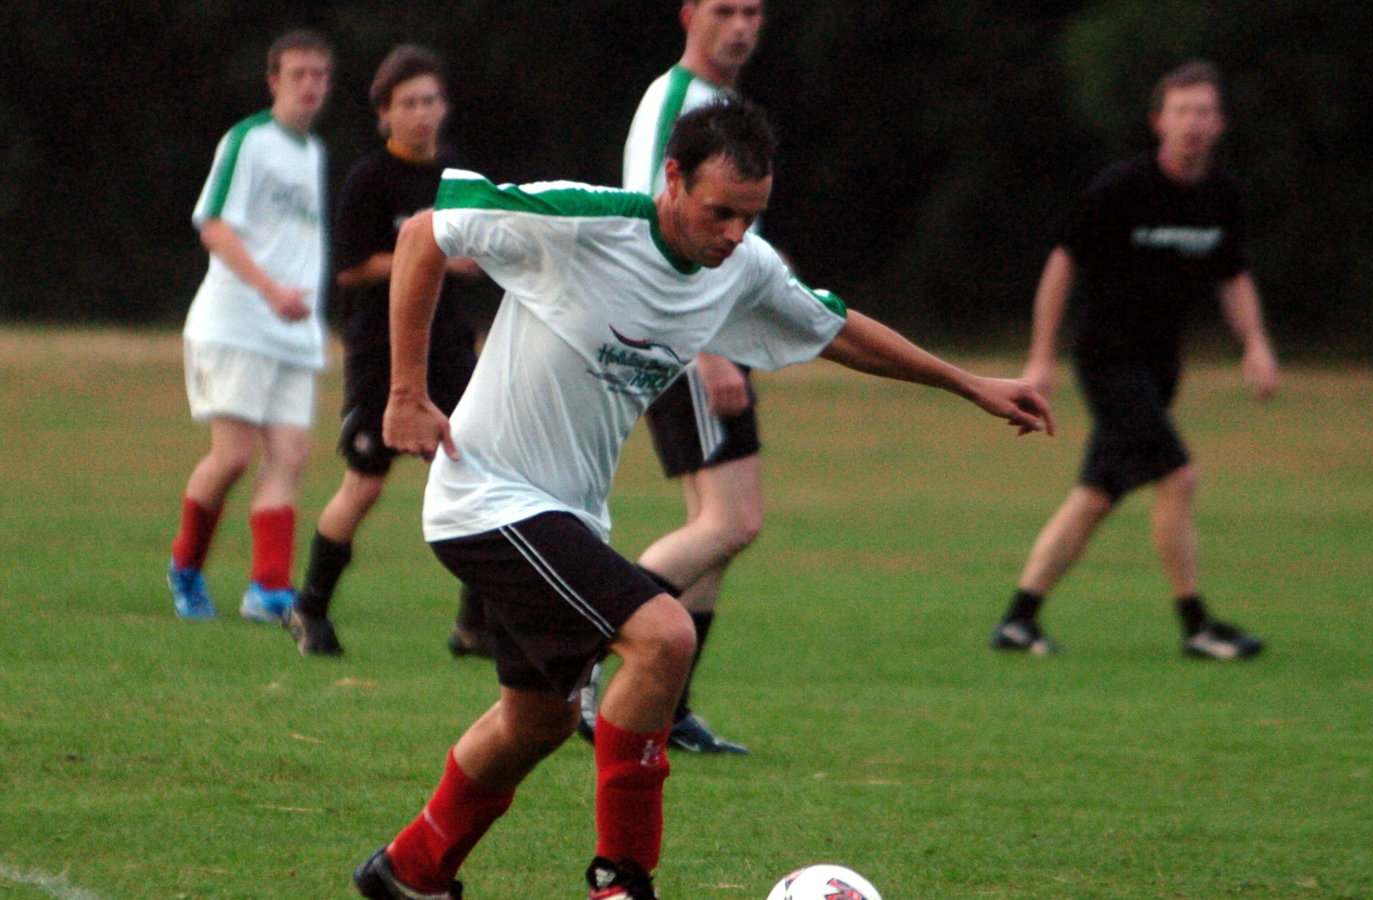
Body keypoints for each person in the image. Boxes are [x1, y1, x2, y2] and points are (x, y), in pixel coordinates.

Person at [352, 96, 1052, 900]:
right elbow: (423, 234)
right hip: (487, 497)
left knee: (536, 720)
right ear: (673, 178)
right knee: (664, 637)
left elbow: (836, 328)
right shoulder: (586, 223)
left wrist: (967, 384)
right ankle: (623, 882)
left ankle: (410, 872)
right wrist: (406, 390)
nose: (732, 235)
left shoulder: (741, 267)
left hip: (564, 512)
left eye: (749, 218)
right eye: (719, 212)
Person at [989, 60, 1279, 660]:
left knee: (1095, 496)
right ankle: (1197, 626)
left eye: (1203, 112)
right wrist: (1041, 356)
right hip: (1107, 360)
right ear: (1159, 122)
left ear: (1220, 123)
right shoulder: (1123, 187)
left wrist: (1255, 343)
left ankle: (1018, 621)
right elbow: (1063, 260)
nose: (1193, 124)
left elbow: (1234, 276)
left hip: (1160, 369)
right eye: (1181, 112)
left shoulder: (1221, 197)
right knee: (1178, 476)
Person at [582, 0, 768, 754]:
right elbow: (655, 231)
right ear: (688, 13)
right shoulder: (675, 103)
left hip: (714, 332)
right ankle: (590, 659)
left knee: (716, 531)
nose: (742, 26)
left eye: (753, 10)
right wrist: (710, 350)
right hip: (688, 339)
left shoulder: (725, 106)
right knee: (732, 521)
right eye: (725, 9)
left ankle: (666, 708)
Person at [286, 45, 492, 658]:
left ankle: (473, 625)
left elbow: (482, 246)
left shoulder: (457, 173)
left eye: (430, 101)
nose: (422, 114)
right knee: (366, 483)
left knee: (478, 476)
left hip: (451, 349)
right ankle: (309, 607)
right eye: (408, 104)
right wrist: (424, 254)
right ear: (385, 114)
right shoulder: (371, 178)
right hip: (383, 353)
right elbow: (349, 268)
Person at [166, 30, 333, 624]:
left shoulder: (312, 153)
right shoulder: (250, 141)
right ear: (274, 81)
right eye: (298, 74)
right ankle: (185, 566)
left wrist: (300, 304)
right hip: (237, 322)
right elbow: (213, 224)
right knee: (234, 455)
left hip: (293, 331)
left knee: (289, 454)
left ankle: (269, 590)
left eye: (320, 74)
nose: (311, 84)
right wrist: (269, 290)